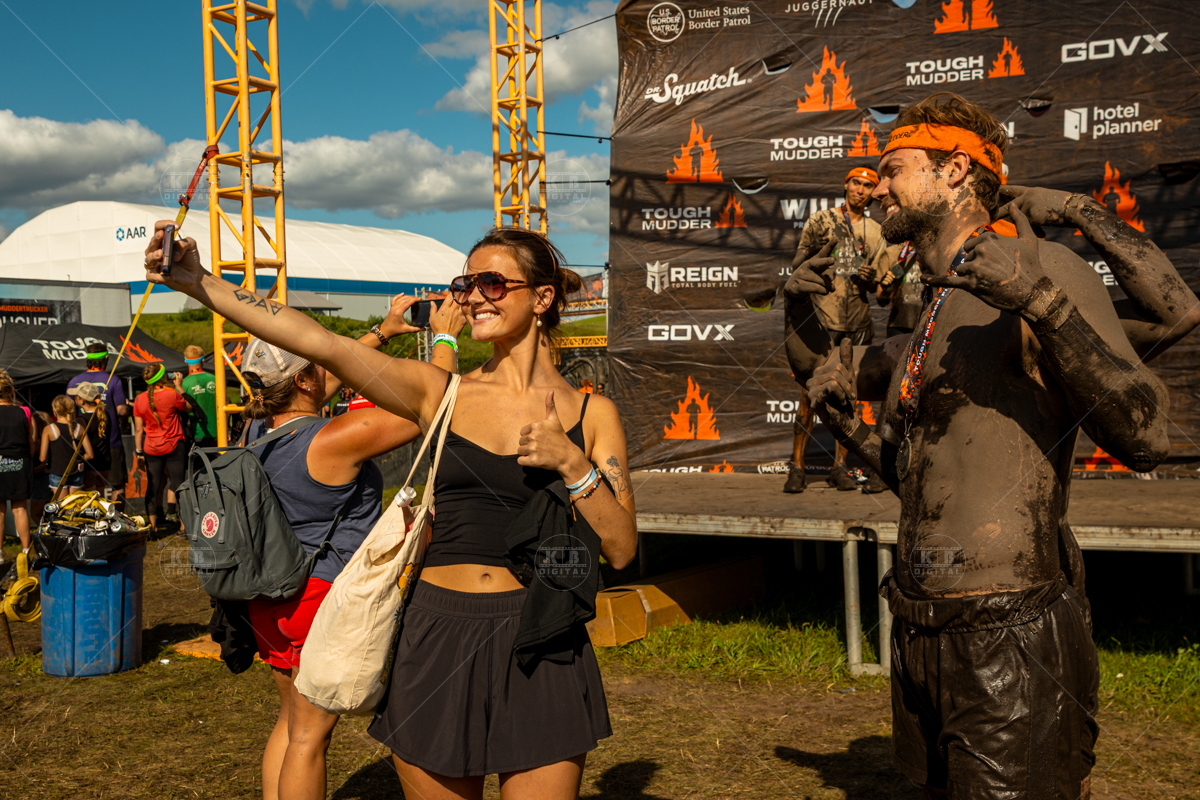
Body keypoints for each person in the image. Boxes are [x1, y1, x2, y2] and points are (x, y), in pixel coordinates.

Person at [144, 223, 638, 800]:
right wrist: (198, 282)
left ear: (542, 297)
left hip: (544, 637)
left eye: (492, 282)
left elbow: (622, 547)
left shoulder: (594, 414)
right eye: (466, 283)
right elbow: (320, 342)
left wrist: (573, 466)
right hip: (438, 632)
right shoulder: (439, 391)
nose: (473, 295)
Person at [783, 92, 1181, 800]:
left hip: (1013, 637)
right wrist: (843, 419)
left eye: (893, 168)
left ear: (956, 170)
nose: (875, 188)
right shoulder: (928, 303)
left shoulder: (1042, 268)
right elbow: (920, 485)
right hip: (920, 629)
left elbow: (1146, 434)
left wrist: (1041, 303)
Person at [235, 334, 428, 800]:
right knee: (310, 736)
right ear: (302, 378)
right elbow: (428, 403)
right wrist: (442, 337)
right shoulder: (332, 438)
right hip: (318, 598)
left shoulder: (255, 435)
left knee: (291, 721)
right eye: (317, 366)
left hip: (268, 598)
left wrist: (382, 332)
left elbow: (325, 373)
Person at [786, 167, 887, 494]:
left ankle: (839, 467)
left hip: (856, 322)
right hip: (821, 319)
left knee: (848, 399)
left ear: (874, 191)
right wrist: (818, 263)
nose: (860, 189)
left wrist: (871, 278)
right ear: (846, 185)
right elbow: (798, 265)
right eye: (856, 183)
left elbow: (881, 289)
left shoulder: (877, 231)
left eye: (868, 185)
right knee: (807, 397)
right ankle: (797, 467)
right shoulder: (821, 221)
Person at [67, 342, 129, 507]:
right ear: (106, 359)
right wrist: (130, 407)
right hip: (111, 442)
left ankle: (96, 520)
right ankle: (117, 521)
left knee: (88, 486)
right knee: (116, 485)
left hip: (85, 444)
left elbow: (68, 414)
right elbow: (122, 411)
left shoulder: (74, 381)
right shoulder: (112, 380)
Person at [132, 363, 193, 529]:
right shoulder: (171, 394)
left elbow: (138, 431)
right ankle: (183, 526)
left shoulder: (139, 399)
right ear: (162, 377)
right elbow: (189, 408)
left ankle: (152, 527)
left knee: (153, 486)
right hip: (174, 445)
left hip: (151, 448)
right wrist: (179, 387)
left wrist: (138, 453)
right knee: (179, 485)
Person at [0, 369, 35, 555]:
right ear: (11, 391)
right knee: (20, 508)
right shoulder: (25, 411)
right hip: (20, 462)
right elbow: (31, 442)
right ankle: (26, 550)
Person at [41, 395, 93, 499]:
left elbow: (42, 458)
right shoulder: (79, 428)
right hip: (76, 472)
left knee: (61, 508)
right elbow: (90, 455)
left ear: (54, 410)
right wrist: (77, 460)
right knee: (73, 508)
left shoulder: (49, 429)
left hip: (57, 472)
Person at [76, 382, 112, 496]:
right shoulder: (105, 415)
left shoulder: (81, 420)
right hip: (104, 464)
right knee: (100, 500)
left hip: (89, 466)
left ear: (82, 401)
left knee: (91, 504)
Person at [181, 345, 219, 448]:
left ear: (185, 361)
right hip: (219, 432)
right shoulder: (215, 378)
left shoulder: (182, 384)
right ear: (203, 360)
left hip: (197, 433)